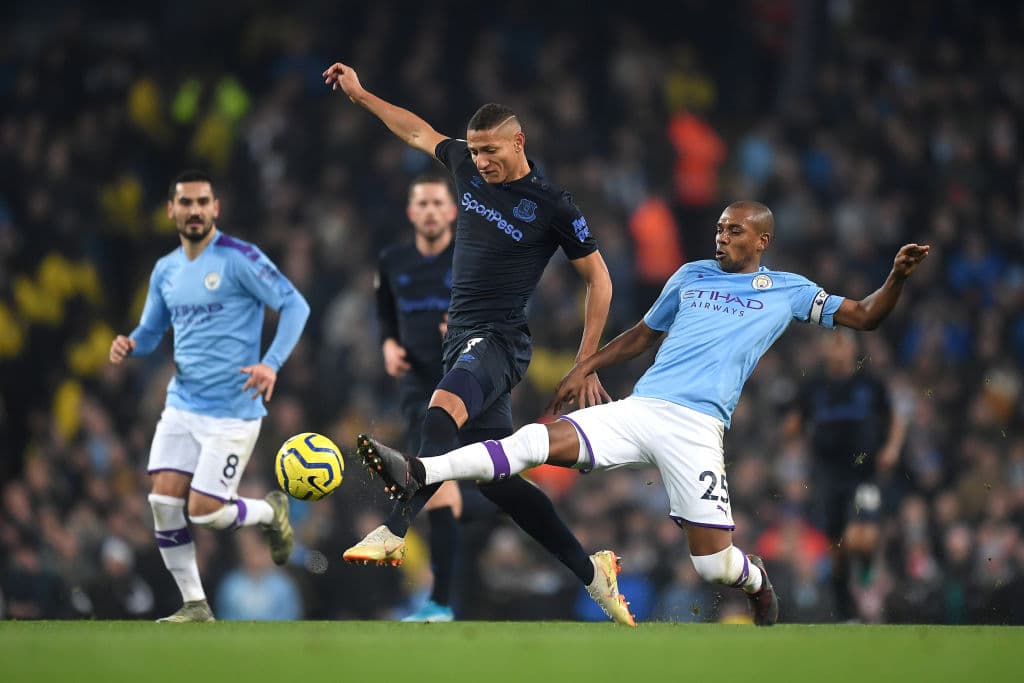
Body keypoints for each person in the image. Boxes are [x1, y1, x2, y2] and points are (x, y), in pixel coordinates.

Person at [357, 201, 930, 626]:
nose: (721, 237)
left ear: (763, 240)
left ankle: (755, 579)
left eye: (734, 230)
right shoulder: (690, 276)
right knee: (535, 441)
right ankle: (420, 470)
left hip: (698, 429)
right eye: (719, 228)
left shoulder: (789, 289)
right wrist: (584, 367)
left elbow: (865, 316)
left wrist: (896, 278)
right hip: (643, 407)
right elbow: (641, 336)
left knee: (713, 568)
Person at [322, 62, 634, 625]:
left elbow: (600, 280)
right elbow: (417, 131)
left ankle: (395, 528)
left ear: (519, 142)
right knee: (499, 483)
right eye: (474, 150)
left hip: (499, 340)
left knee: (440, 413)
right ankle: (593, 574)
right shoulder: (466, 166)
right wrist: (362, 94)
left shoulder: (552, 204)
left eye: (491, 150)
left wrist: (586, 361)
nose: (481, 160)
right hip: (462, 339)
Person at [109, 170, 310, 622]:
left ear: (215, 208)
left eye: (203, 201)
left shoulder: (241, 259)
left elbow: (296, 304)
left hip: (233, 412)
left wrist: (271, 363)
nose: (195, 210)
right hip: (182, 404)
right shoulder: (165, 270)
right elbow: (152, 329)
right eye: (186, 202)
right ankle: (195, 604)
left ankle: (268, 511)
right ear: (171, 210)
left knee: (203, 511)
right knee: (162, 502)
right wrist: (131, 343)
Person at [376, 173, 460, 622]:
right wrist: (389, 344)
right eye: (422, 204)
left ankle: (441, 598)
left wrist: (462, 332)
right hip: (417, 387)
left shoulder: (468, 258)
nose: (430, 211)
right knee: (440, 485)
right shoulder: (392, 261)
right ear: (411, 212)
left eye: (437, 203)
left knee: (482, 489)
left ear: (452, 212)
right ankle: (440, 602)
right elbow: (386, 315)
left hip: (466, 383)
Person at [782, 329, 908, 621]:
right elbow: (794, 424)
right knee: (835, 546)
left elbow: (896, 419)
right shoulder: (813, 386)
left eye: (842, 345)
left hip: (863, 471)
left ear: (852, 350)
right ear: (825, 350)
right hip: (827, 474)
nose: (838, 351)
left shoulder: (870, 383)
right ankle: (844, 610)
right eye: (833, 345)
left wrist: (892, 448)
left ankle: (865, 564)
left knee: (862, 537)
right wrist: (790, 436)